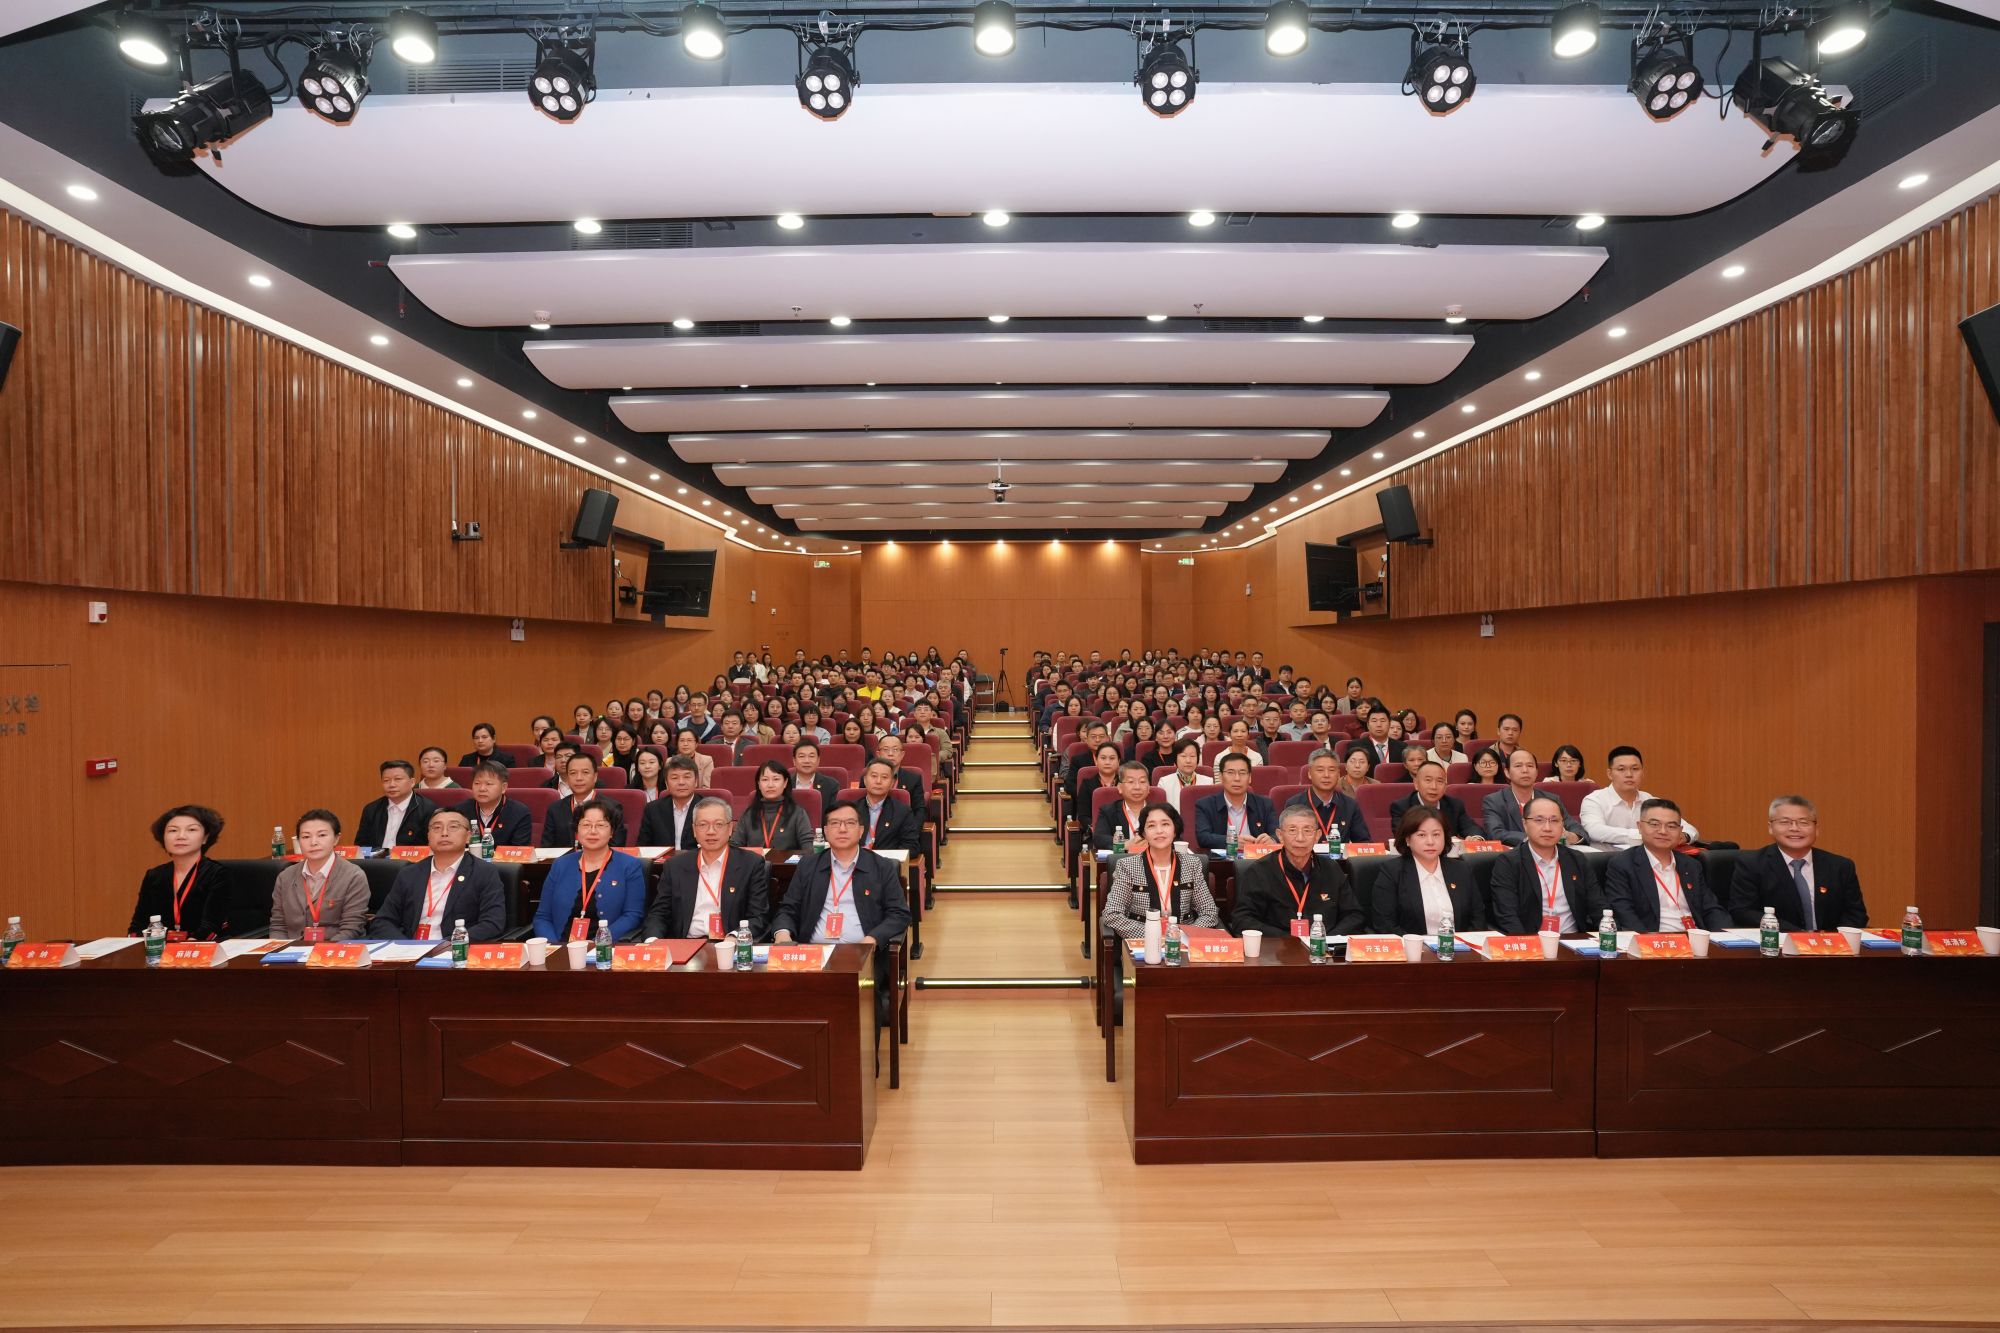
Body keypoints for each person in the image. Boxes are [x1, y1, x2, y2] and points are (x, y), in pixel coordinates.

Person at [768, 799, 911, 1025]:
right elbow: (788, 908)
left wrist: (872, 940)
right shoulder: (809, 866)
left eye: (849, 823)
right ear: (825, 831)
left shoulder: (881, 867)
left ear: (861, 830)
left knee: (852, 998)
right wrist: (783, 934)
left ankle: (858, 1048)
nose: (842, 829)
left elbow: (899, 914)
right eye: (835, 823)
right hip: (813, 954)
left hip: (860, 953)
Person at [1726, 795, 1869, 930]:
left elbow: (1856, 914)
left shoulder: (1840, 866)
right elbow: (1742, 912)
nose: (1794, 828)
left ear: (1816, 829)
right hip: (1778, 942)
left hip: (1832, 945)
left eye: (1803, 822)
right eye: (1785, 822)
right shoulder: (1752, 864)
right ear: (1770, 828)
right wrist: (1798, 936)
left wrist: (1834, 939)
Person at [368, 808, 506, 941]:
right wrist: (405, 946)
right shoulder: (410, 873)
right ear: (428, 836)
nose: (444, 833)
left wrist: (450, 944)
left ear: (468, 836)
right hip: (410, 948)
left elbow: (493, 923)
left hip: (454, 949)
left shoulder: (483, 872)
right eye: (437, 828)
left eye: (453, 827)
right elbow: (383, 920)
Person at [646, 796, 772, 940]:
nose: (711, 831)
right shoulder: (675, 866)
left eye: (718, 824)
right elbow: (659, 914)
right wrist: (652, 941)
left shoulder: (750, 864)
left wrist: (735, 937)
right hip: (687, 944)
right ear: (694, 830)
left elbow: (759, 917)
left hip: (730, 944)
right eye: (703, 825)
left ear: (730, 828)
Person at [1232, 805, 1364, 938]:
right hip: (1279, 947)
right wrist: (1290, 941)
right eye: (1292, 830)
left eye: (1307, 831)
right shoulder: (1260, 871)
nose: (1300, 838)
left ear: (1317, 836)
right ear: (1280, 835)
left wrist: (1326, 940)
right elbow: (1243, 920)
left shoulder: (1331, 869)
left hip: (1325, 946)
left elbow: (1354, 915)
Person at [1603, 798, 1728, 933]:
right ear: (1639, 827)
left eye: (1671, 826)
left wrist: (1727, 936)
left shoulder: (1691, 865)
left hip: (1695, 938)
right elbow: (1624, 913)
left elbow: (1711, 908)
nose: (1663, 831)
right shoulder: (1623, 864)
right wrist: (1648, 941)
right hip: (1654, 939)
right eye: (1654, 824)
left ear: (1680, 831)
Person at [530, 800, 646, 943]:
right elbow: (543, 917)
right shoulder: (560, 865)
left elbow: (633, 915)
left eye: (600, 825)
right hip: (561, 945)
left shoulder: (629, 865)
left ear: (612, 832)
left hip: (603, 947)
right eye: (586, 825)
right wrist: (553, 946)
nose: (593, 831)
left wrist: (599, 942)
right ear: (577, 831)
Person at [1487, 794, 1599, 935]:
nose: (1547, 828)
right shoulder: (1509, 863)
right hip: (1531, 941)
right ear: (1525, 824)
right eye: (1539, 820)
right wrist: (1530, 945)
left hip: (1574, 940)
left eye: (1554, 821)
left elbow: (1598, 906)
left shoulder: (1577, 860)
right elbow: (1507, 916)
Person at [1100, 803, 1217, 938]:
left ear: (1175, 830)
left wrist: (1183, 935)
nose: (1159, 831)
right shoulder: (1127, 866)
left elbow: (1209, 912)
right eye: (1151, 826)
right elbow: (1112, 914)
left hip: (1183, 942)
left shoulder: (1191, 864)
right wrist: (1155, 935)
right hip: (1143, 942)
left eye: (1165, 824)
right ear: (1144, 833)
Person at [1370, 807, 1486, 935]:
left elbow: (1478, 919)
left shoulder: (1461, 870)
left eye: (1436, 835)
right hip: (1412, 946)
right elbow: (1385, 924)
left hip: (1459, 946)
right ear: (1407, 839)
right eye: (1421, 835)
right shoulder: (1392, 872)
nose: (1430, 842)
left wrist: (1463, 944)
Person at [130, 804, 235, 939]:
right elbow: (138, 925)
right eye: (173, 830)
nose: (181, 836)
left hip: (204, 946)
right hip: (161, 947)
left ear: (205, 838)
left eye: (191, 829)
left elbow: (210, 927)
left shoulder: (218, 873)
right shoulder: (155, 875)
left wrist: (184, 947)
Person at [269, 808, 370, 941]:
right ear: (298, 841)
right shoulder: (285, 877)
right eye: (306, 837)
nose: (313, 842)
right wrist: (282, 950)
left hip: (334, 949)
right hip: (291, 950)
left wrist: (320, 951)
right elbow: (278, 926)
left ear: (336, 839)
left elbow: (352, 928)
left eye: (322, 835)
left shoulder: (353, 876)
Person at [1580, 746, 1699, 848]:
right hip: (1608, 859)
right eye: (1621, 769)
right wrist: (1643, 834)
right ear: (1610, 774)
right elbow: (1595, 831)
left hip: (1648, 860)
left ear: (1642, 772)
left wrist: (1685, 836)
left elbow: (1690, 829)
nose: (1629, 774)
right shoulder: (1594, 800)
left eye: (1635, 769)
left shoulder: (1651, 801)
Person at [1481, 750, 1584, 847]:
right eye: (1518, 766)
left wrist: (1571, 837)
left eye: (1530, 766)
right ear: (1507, 772)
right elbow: (1495, 833)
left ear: (1537, 772)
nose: (1525, 770)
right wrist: (1535, 838)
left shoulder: (1551, 799)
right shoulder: (1494, 800)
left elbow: (1576, 828)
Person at [1282, 749, 1372, 843]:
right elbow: (1289, 842)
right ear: (1309, 774)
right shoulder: (1295, 804)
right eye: (1320, 770)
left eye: (1331, 770)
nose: (1326, 775)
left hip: (1339, 853)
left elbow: (1363, 842)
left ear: (1338, 775)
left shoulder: (1350, 805)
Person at [1194, 753, 1279, 851]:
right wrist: (1232, 841)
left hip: (1257, 859)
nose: (1237, 778)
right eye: (1230, 773)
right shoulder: (1205, 805)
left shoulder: (1265, 804)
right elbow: (1203, 837)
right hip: (1221, 860)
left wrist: (1272, 840)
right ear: (1220, 776)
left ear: (1250, 777)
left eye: (1242, 773)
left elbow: (1277, 834)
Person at [540, 753, 628, 847]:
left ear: (595, 777)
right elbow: (547, 848)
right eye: (573, 773)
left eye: (585, 772)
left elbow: (616, 846)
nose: (579, 778)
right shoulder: (555, 809)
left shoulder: (612, 808)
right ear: (568, 778)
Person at [1388, 761, 1484, 839]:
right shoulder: (1402, 807)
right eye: (1428, 780)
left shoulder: (1454, 805)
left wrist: (1476, 838)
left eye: (1439, 781)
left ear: (1445, 786)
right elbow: (1402, 836)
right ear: (1416, 784)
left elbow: (1471, 828)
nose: (1434, 787)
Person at [356, 760, 437, 848]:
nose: (392, 785)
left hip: (411, 857)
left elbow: (431, 845)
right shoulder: (371, 809)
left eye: (398, 779)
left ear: (412, 782)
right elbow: (361, 846)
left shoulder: (428, 809)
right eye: (386, 780)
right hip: (376, 856)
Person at [735, 762, 814, 851]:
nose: (770, 785)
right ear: (759, 784)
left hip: (788, 860)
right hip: (754, 860)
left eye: (776, 779)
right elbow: (734, 846)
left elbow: (808, 849)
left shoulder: (798, 813)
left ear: (785, 783)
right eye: (765, 780)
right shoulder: (749, 814)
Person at [452, 759, 534, 846]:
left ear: (503, 787)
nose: (482, 788)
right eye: (477, 783)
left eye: (489, 784)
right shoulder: (460, 811)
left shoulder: (519, 812)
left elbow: (519, 849)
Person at [638, 754, 703, 850]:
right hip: (662, 860)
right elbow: (643, 847)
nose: (681, 782)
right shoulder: (653, 809)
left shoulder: (708, 809)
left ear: (696, 781)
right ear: (666, 783)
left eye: (687, 777)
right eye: (674, 778)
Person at [858, 758, 921, 852]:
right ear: (865, 780)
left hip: (885, 860)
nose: (878, 781)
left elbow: (911, 846)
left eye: (884, 777)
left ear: (892, 783)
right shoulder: (851, 810)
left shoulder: (902, 812)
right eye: (874, 776)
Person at [1091, 761, 1155, 853]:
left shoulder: (1160, 811)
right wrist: (1124, 844)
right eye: (1131, 782)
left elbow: (1173, 836)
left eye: (1142, 781)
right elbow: (1099, 838)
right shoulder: (1108, 811)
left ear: (1148, 788)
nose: (1137, 787)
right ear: (1120, 788)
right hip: (1122, 860)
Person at [1155, 734, 1211, 806]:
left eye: (1192, 756)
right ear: (1175, 758)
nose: (1188, 760)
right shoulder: (1164, 783)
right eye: (1183, 756)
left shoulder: (1208, 783)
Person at [792, 740, 840, 809]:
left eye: (811, 756)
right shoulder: (785, 784)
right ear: (794, 761)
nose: (807, 761)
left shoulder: (831, 785)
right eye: (802, 756)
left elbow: (833, 813)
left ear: (818, 760)